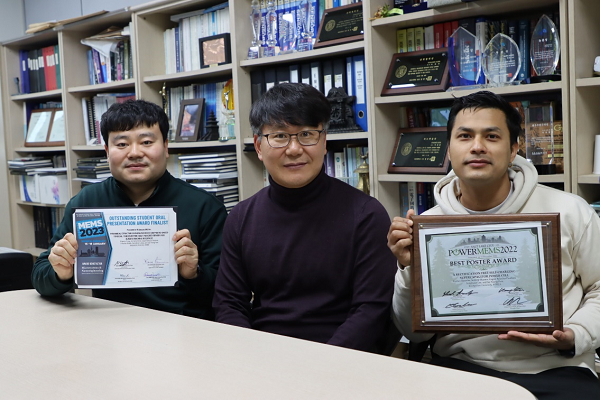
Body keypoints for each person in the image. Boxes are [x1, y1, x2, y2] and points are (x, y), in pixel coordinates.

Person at [388, 91, 600, 399]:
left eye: (491, 136)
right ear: (449, 148)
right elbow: (410, 330)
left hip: (558, 370)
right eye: (464, 136)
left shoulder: (569, 211)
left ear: (514, 149)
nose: (477, 147)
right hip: (460, 369)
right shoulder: (429, 227)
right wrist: (408, 267)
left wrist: (575, 335)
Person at [212, 83, 397, 352]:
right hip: (262, 358)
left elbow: (371, 311)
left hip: (343, 361)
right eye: (279, 136)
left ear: (324, 142)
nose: (294, 149)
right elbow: (229, 304)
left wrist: (320, 367)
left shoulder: (366, 215)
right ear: (259, 146)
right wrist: (250, 356)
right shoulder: (241, 217)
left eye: (307, 134)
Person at [32, 100, 227, 320]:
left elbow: (226, 295)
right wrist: (61, 273)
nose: (134, 153)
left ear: (165, 147)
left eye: (146, 141)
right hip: (107, 326)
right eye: (122, 144)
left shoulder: (205, 206)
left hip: (181, 328)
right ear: (107, 151)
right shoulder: (86, 202)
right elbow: (40, 276)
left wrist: (194, 273)